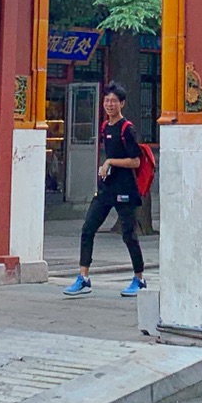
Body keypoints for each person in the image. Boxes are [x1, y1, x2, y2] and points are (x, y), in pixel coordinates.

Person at [63, 83, 147, 298]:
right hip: (106, 188)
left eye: (113, 101)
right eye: (106, 101)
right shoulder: (104, 127)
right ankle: (84, 277)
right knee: (88, 228)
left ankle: (139, 279)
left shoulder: (127, 129)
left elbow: (136, 161)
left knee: (129, 235)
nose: (109, 104)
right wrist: (104, 168)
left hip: (125, 189)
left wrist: (110, 162)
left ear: (122, 103)